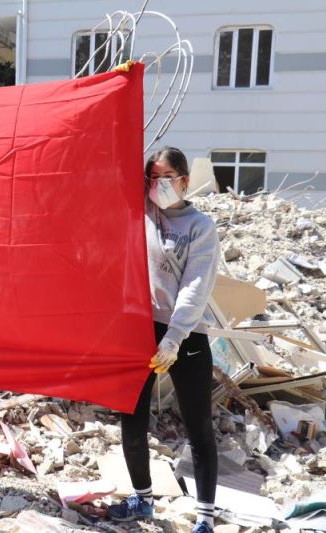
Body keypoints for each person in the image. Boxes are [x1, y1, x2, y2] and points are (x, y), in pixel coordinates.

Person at [106, 147, 220, 533]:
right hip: (141, 331)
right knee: (132, 418)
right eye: (152, 178)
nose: (159, 186)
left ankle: (204, 517)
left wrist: (173, 339)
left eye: (167, 178)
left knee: (198, 424)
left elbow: (195, 287)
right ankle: (142, 498)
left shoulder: (200, 227)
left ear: (185, 180)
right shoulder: (143, 211)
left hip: (185, 337)